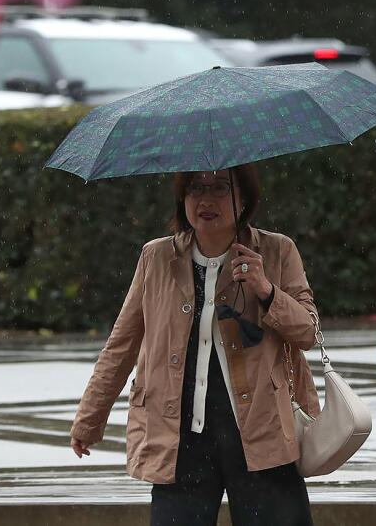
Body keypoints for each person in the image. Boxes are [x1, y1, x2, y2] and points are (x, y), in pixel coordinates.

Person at [71, 167, 319, 526]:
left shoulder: (277, 251)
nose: (205, 199)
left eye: (220, 188)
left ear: (244, 198)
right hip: (179, 438)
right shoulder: (156, 258)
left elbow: (307, 332)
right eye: (194, 189)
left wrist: (265, 289)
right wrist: (89, 419)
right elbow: (121, 346)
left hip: (263, 432)